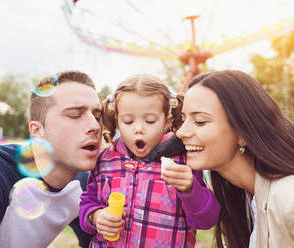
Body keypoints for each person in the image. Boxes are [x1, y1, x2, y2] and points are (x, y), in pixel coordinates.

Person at [148, 70, 294, 248]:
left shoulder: (288, 199)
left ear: (243, 132)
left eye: (200, 121)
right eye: (184, 119)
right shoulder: (242, 200)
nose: (181, 133)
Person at [79, 74, 220, 247]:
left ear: (167, 122)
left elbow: (206, 221)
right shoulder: (105, 159)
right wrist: (96, 216)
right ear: (117, 121)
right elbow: (88, 202)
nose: (139, 129)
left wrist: (190, 188)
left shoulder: (183, 162)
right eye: (128, 121)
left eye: (150, 121)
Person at [0, 71, 102, 247]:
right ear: (37, 131)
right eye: (75, 115)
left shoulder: (85, 185)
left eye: (98, 117)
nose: (95, 126)